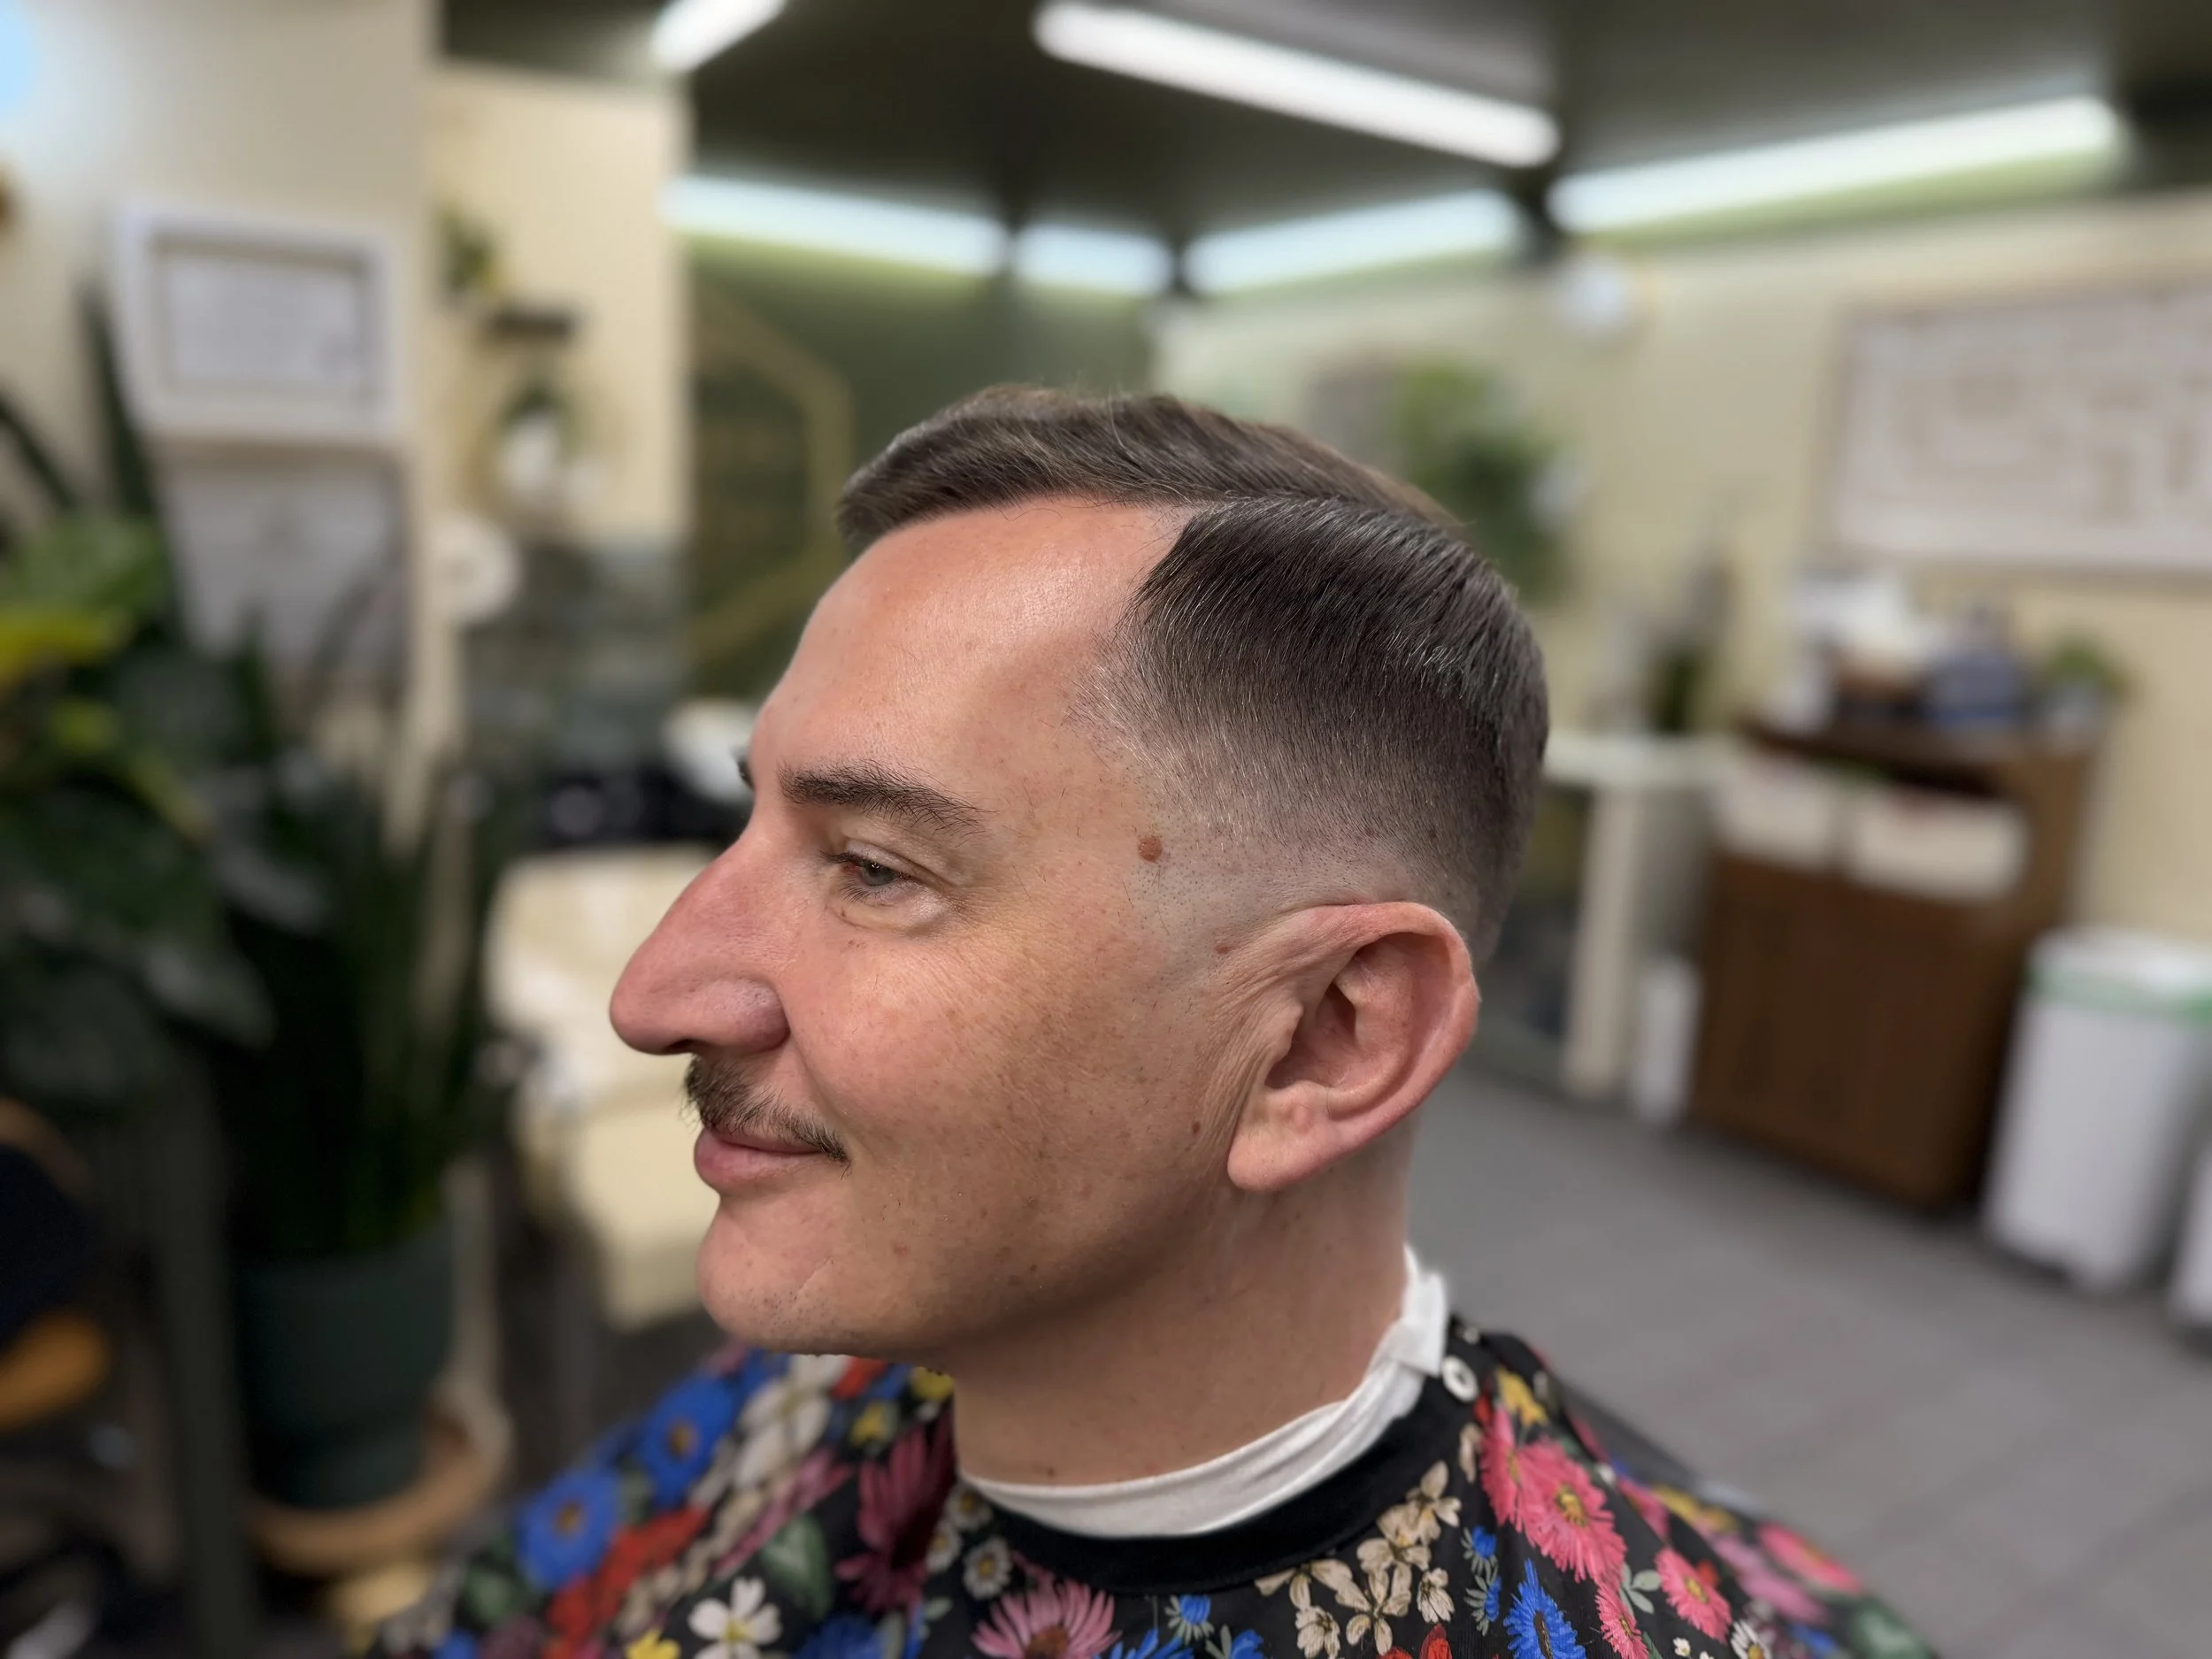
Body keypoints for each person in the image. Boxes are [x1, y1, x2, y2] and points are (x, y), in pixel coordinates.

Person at [376, 389, 1928, 1659]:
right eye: (756, 823)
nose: (655, 993)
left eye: (873, 867)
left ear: (1325, 1038)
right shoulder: (862, 1336)